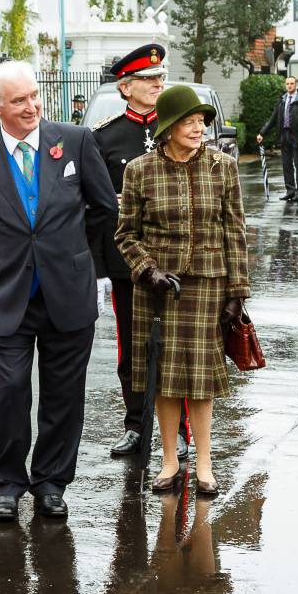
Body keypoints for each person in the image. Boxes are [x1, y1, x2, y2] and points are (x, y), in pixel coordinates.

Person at [0, 61, 118, 522]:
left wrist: (79, 263)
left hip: (68, 293)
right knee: (10, 389)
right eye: (19, 100)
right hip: (6, 296)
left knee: (63, 393)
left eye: (35, 96)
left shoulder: (76, 142)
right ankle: (7, 482)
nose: (32, 107)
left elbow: (105, 210)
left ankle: (51, 482)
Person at [115, 85, 250, 495]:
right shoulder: (139, 169)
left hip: (209, 285)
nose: (199, 129)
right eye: (190, 122)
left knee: (203, 380)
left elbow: (235, 230)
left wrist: (237, 291)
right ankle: (169, 460)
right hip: (159, 290)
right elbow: (125, 234)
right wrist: (147, 270)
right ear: (169, 127)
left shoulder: (222, 167)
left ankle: (205, 464)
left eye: (201, 122)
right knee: (165, 379)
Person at [91, 43, 189, 459]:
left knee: (177, 346)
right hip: (128, 261)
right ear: (125, 87)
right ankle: (135, 424)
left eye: (160, 78)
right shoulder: (105, 137)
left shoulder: (180, 130)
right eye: (149, 80)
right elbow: (97, 206)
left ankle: (182, 429)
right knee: (132, 347)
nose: (157, 84)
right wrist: (99, 265)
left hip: (175, 258)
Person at [257, 76, 298, 203]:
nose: (289, 86)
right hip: (284, 135)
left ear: (296, 85)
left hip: (297, 136)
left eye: (292, 83)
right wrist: (262, 133)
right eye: (287, 84)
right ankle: (290, 190)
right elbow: (273, 118)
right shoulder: (282, 100)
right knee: (286, 165)